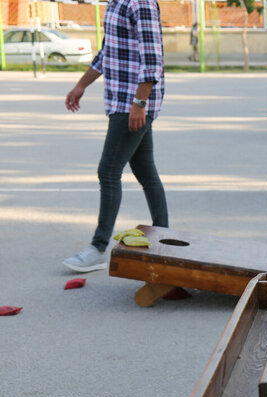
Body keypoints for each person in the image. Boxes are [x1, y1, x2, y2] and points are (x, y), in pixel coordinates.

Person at [62, 0, 168, 272]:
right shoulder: (115, 3)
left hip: (131, 103)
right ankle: (165, 238)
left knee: (108, 171)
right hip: (123, 102)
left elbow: (153, 58)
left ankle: (98, 248)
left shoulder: (140, 2)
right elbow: (106, 53)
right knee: (145, 171)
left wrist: (140, 103)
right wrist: (80, 85)